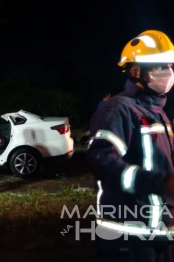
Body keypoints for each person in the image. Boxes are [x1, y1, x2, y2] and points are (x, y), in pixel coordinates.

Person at [87, 30, 174, 261]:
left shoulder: (159, 114)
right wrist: (161, 183)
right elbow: (102, 160)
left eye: (170, 65)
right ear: (136, 72)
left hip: (159, 234)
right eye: (160, 66)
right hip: (129, 238)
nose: (168, 72)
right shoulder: (118, 109)